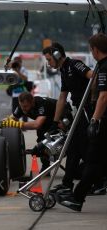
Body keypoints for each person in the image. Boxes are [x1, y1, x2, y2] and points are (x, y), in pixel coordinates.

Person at [57, 33, 107, 212]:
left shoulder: (104, 67)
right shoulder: (101, 66)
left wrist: (94, 120)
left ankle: (78, 197)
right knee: (95, 160)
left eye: (91, 49)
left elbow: (104, 96)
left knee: (93, 159)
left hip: (102, 121)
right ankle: (78, 196)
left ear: (95, 49)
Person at [42, 42, 94, 193]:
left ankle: (98, 182)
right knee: (72, 149)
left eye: (49, 59)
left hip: (87, 109)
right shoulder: (64, 70)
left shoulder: (74, 64)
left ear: (58, 55)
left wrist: (94, 98)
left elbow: (93, 76)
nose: (48, 63)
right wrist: (55, 122)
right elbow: (62, 98)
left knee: (85, 148)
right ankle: (67, 183)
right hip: (78, 111)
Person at [0, 92, 72, 173]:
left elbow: (37, 124)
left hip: (62, 116)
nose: (23, 109)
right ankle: (45, 166)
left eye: (26, 106)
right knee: (41, 141)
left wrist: (17, 124)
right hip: (47, 121)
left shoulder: (41, 104)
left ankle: (72, 164)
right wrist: (3, 123)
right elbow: (12, 119)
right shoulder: (22, 107)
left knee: (64, 141)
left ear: (32, 102)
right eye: (22, 106)